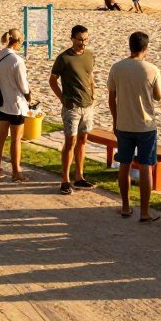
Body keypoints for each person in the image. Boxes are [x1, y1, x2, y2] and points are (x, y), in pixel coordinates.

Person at [107, 31, 161, 222]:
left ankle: (125, 206)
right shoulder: (152, 69)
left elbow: (111, 98)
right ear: (145, 48)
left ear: (130, 46)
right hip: (146, 125)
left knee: (124, 164)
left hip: (123, 124)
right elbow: (158, 96)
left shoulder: (117, 68)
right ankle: (145, 211)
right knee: (146, 167)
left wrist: (115, 120)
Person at [49, 25, 96, 195]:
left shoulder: (89, 55)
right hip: (72, 107)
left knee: (83, 141)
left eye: (85, 39)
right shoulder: (64, 58)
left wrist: (93, 94)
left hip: (88, 106)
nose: (83, 43)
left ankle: (80, 177)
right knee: (70, 142)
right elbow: (52, 80)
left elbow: (89, 76)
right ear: (72, 39)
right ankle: (65, 180)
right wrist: (62, 99)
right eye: (79, 39)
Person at [0, 28, 32, 182]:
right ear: (18, 42)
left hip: (1, 102)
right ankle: (16, 172)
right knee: (16, 139)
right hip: (15, 104)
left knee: (0, 137)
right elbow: (23, 85)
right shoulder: (17, 60)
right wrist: (28, 95)